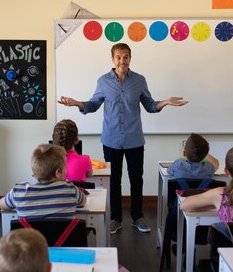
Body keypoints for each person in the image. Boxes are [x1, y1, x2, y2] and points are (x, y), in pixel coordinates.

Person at [58, 42, 188, 235]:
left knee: (136, 179)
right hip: (111, 139)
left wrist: (167, 102)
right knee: (114, 180)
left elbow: (151, 106)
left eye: (125, 57)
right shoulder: (103, 81)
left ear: (130, 58)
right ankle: (115, 219)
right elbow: (93, 105)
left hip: (134, 139)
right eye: (118, 57)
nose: (122, 61)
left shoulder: (139, 80)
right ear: (112, 59)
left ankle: (137, 217)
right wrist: (77, 103)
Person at [0, 144, 86, 219]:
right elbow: (83, 202)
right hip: (63, 239)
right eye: (65, 167)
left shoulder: (18, 192)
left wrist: (18, 205)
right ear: (58, 172)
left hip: (31, 239)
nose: (66, 171)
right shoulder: (71, 190)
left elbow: (0, 204)